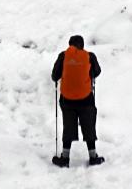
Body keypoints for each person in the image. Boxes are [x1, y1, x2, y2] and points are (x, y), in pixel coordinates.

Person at [51, 35, 104, 167]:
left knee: (68, 127)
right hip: (86, 99)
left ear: (70, 45)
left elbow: (54, 76)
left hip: (67, 100)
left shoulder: (63, 56)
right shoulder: (90, 56)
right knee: (89, 126)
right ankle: (93, 157)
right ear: (82, 45)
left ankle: (65, 158)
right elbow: (97, 71)